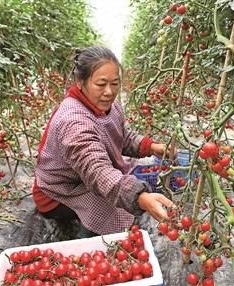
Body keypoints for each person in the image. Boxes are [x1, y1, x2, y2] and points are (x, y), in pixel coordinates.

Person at [32, 46, 174, 239]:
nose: (109, 91)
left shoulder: (109, 105)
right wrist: (140, 197)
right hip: (58, 193)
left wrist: (152, 147)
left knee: (118, 190)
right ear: (80, 82)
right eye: (101, 84)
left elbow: (122, 136)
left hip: (81, 180)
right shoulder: (73, 120)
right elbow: (98, 173)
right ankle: (85, 245)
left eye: (115, 83)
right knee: (108, 203)